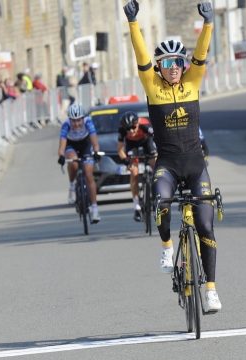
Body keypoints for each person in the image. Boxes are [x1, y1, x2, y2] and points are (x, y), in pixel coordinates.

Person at [124, 0, 222, 311]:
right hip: (167, 164)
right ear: (160, 68)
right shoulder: (153, 87)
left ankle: (210, 290)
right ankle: (167, 247)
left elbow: (201, 55)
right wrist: (133, 24)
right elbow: (141, 57)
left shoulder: (192, 82)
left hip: (195, 165)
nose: (174, 68)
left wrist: (208, 24)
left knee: (206, 225)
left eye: (177, 62)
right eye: (167, 64)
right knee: (162, 202)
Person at [57, 103, 102, 222]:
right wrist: (61, 156)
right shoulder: (66, 125)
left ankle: (94, 209)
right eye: (74, 121)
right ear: (70, 120)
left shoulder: (88, 122)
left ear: (83, 118)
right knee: (74, 163)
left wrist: (96, 152)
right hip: (71, 145)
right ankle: (72, 185)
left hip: (85, 144)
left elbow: (95, 142)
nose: (76, 124)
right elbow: (62, 145)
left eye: (79, 120)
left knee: (88, 174)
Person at [117, 111, 157, 222]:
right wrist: (126, 160)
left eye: (133, 127)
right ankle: (136, 206)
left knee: (155, 164)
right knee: (134, 172)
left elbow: (158, 139)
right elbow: (120, 149)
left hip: (146, 142)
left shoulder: (145, 125)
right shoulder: (122, 131)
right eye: (128, 129)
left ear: (137, 123)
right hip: (132, 145)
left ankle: (157, 191)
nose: (131, 131)